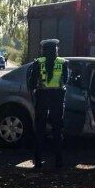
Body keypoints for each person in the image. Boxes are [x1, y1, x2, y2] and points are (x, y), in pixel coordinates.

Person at [27, 39, 69, 169]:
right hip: (57, 99)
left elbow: (32, 83)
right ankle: (59, 161)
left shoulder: (38, 63)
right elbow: (66, 80)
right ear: (56, 50)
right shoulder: (63, 63)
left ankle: (38, 161)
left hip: (42, 98)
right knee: (57, 130)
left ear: (43, 51)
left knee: (40, 130)